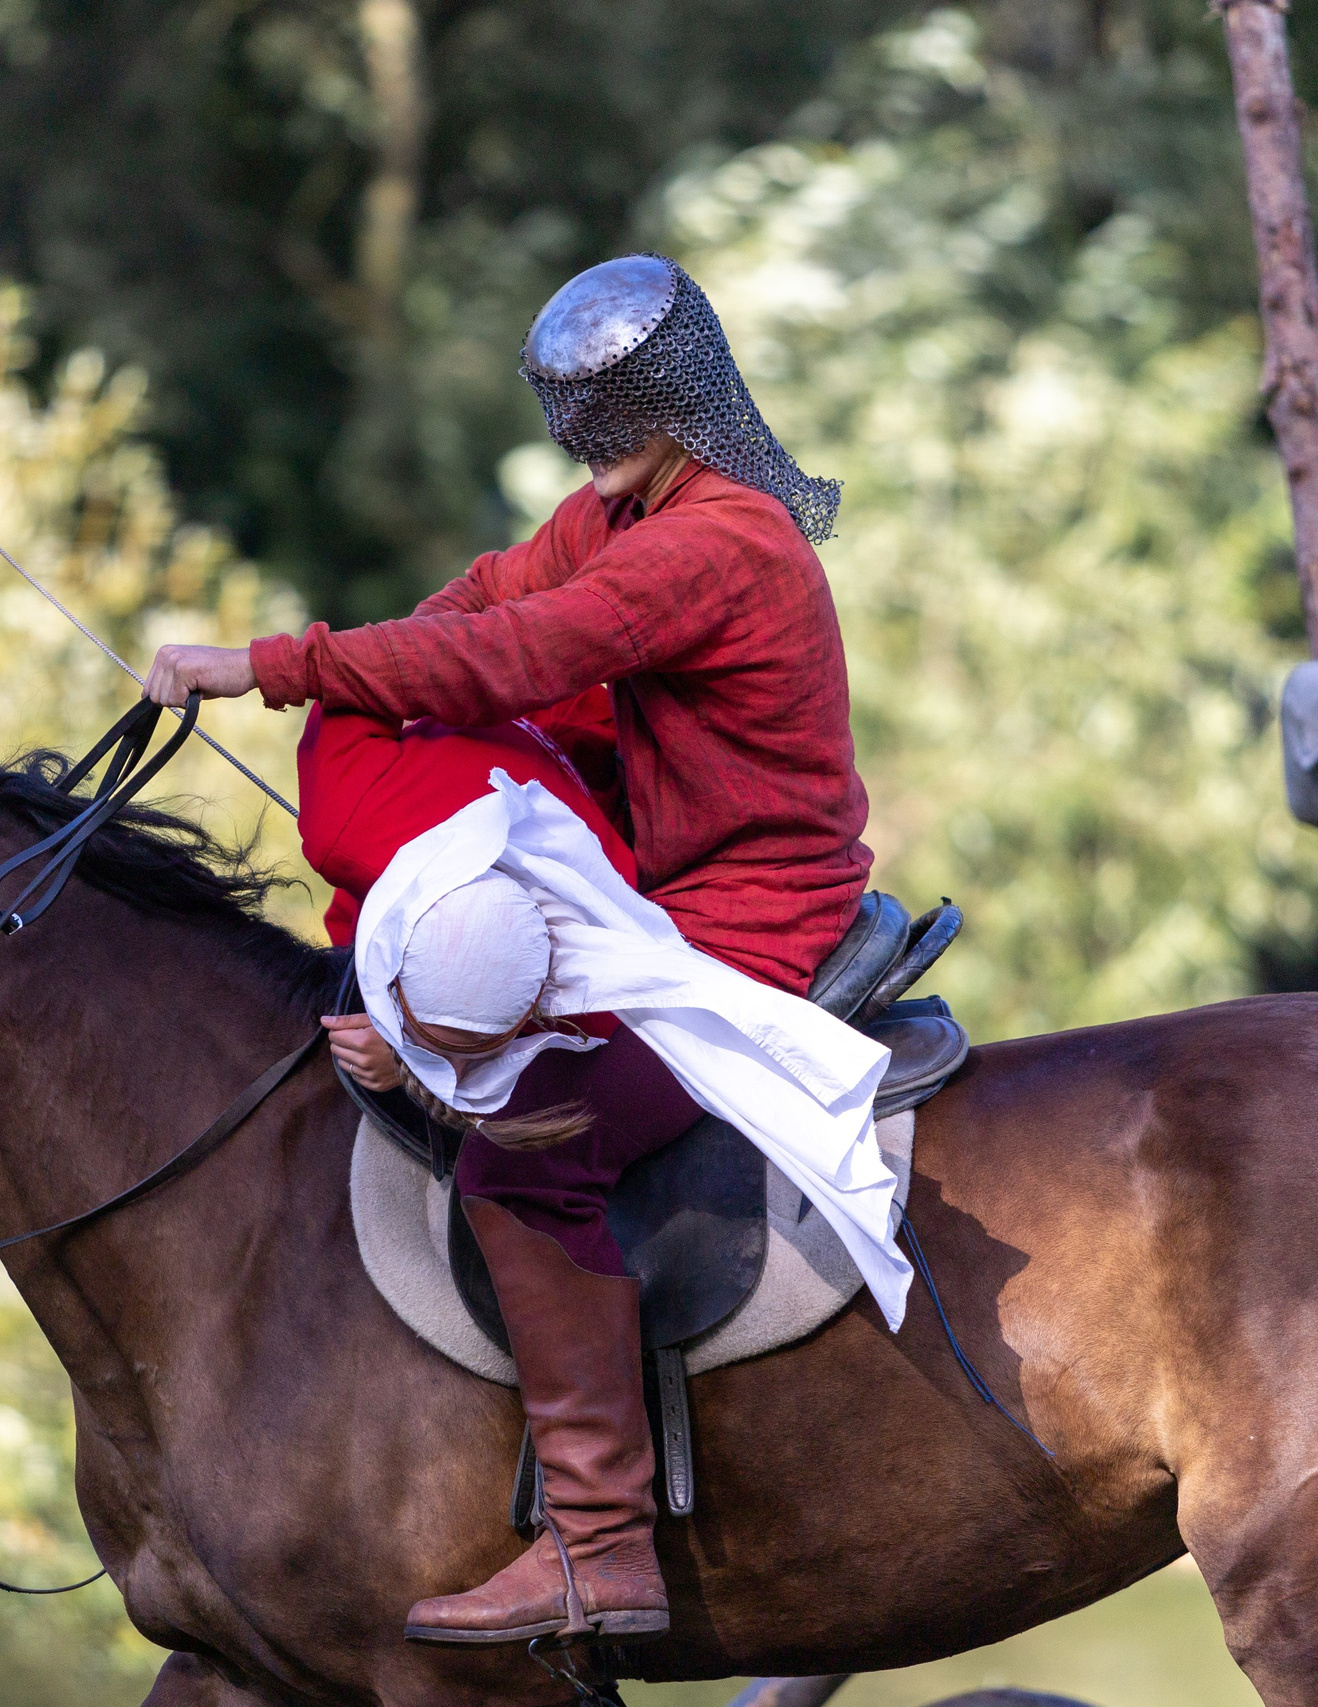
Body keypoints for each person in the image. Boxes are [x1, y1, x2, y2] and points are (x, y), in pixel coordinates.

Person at [144, 253, 918, 1646]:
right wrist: (385, 681)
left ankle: (601, 1542)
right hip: (661, 906)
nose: (587, 451)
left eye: (608, 419)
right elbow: (485, 605)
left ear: (675, 405)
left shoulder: (718, 544)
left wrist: (271, 667)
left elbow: (519, 657)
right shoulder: (624, 514)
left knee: (529, 1152)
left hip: (745, 929)